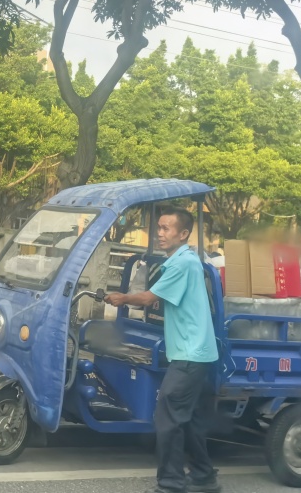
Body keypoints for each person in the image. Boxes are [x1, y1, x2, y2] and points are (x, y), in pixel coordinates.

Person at [105, 207, 221, 493]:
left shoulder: (183, 264)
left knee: (168, 417)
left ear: (183, 234)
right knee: (188, 418)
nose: (160, 233)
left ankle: (170, 483)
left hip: (190, 355)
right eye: (158, 227)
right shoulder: (184, 261)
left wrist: (122, 298)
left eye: (166, 228)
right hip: (194, 353)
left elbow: (148, 298)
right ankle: (204, 476)